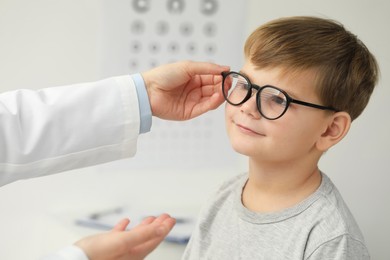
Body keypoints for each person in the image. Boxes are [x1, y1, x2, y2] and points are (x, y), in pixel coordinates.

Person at [183, 16, 379, 259]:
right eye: (245, 85)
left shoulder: (330, 240)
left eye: (277, 99)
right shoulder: (223, 195)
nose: (247, 107)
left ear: (330, 130)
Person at [0, 61, 229, 259]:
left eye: (266, 96)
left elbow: (14, 131)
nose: (248, 107)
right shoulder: (223, 201)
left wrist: (146, 94)